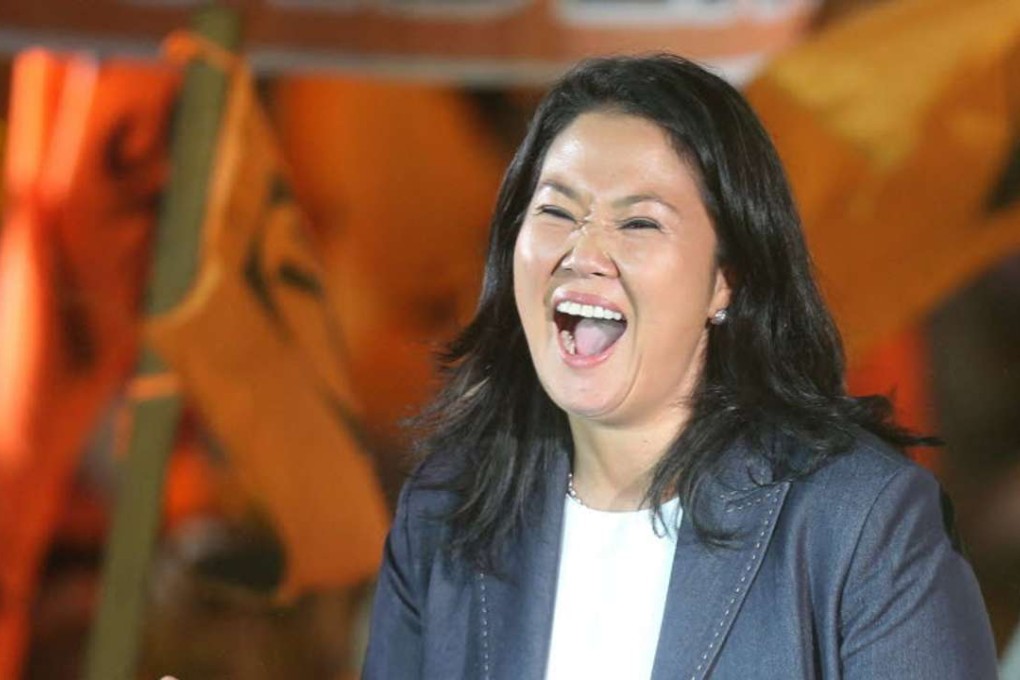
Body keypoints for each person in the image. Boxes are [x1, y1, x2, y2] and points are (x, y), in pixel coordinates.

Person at [362, 54, 998, 679]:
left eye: (639, 222)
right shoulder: (444, 512)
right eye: (556, 211)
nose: (584, 253)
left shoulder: (861, 523)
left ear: (727, 279)